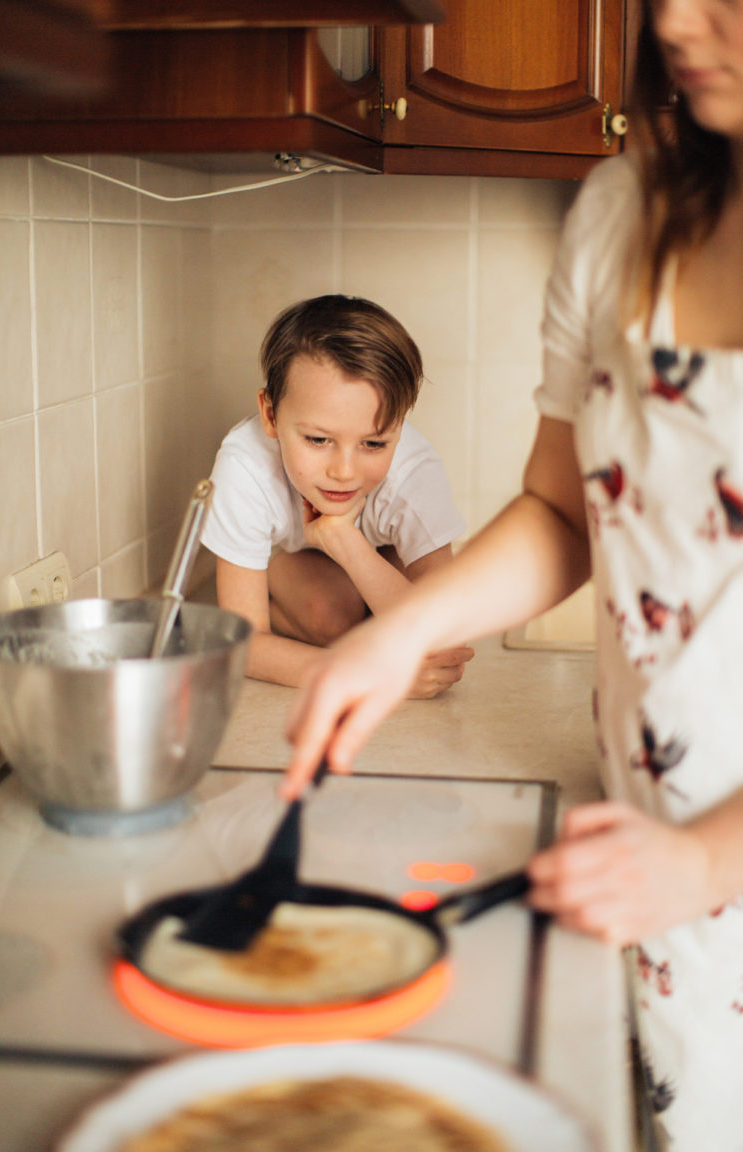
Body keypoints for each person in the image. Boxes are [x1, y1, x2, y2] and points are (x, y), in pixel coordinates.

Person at [282, 3, 743, 1147]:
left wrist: (705, 859)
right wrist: (393, 633)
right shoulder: (622, 212)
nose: (681, 17)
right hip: (643, 857)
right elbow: (564, 506)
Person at [201, 294, 473, 694]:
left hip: (380, 552)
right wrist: (370, 671)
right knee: (331, 619)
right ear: (271, 415)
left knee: (415, 617)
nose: (344, 473)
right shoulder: (245, 466)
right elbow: (242, 643)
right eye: (318, 439)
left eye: (374, 444)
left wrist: (345, 539)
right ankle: (288, 591)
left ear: (399, 426)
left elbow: (445, 639)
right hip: (297, 562)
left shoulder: (413, 471)